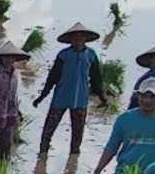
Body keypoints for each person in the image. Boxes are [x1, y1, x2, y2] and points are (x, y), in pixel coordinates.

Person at [90, 78, 155, 174]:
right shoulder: (124, 119)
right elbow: (112, 147)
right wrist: (98, 170)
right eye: (143, 96)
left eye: (152, 97)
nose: (147, 100)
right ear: (137, 96)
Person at [33, 22, 104, 155]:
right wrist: (42, 96)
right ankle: (42, 154)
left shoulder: (91, 55)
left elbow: (96, 77)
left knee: (78, 132)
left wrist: (101, 96)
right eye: (75, 37)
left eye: (81, 36)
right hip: (61, 96)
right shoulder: (63, 55)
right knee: (49, 127)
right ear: (70, 39)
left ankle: (74, 156)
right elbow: (52, 77)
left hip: (81, 98)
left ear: (85, 38)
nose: (78, 39)